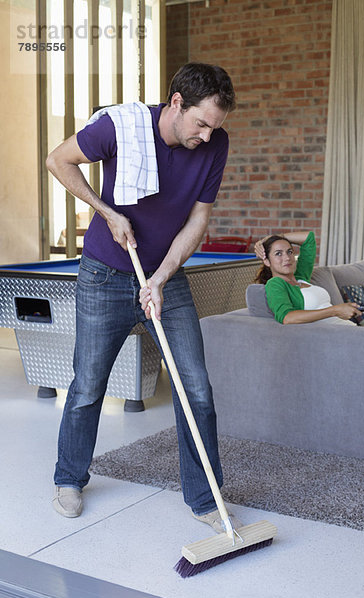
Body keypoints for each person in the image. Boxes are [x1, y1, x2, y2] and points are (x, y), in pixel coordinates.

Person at [46, 63, 242, 533]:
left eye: (216, 126)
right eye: (201, 123)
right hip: (103, 275)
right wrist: (106, 211)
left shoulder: (216, 144)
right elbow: (58, 160)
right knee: (89, 383)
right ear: (176, 103)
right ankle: (69, 479)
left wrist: (160, 278)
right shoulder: (120, 126)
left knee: (196, 387)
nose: (207, 135)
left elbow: (197, 221)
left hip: (166, 278)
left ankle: (205, 498)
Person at [254, 231, 361, 325]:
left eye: (289, 252)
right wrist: (334, 311)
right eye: (278, 254)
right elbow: (287, 317)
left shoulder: (301, 277)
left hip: (349, 329)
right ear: (267, 261)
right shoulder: (275, 284)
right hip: (336, 337)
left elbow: (309, 238)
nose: (287, 258)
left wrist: (272, 238)